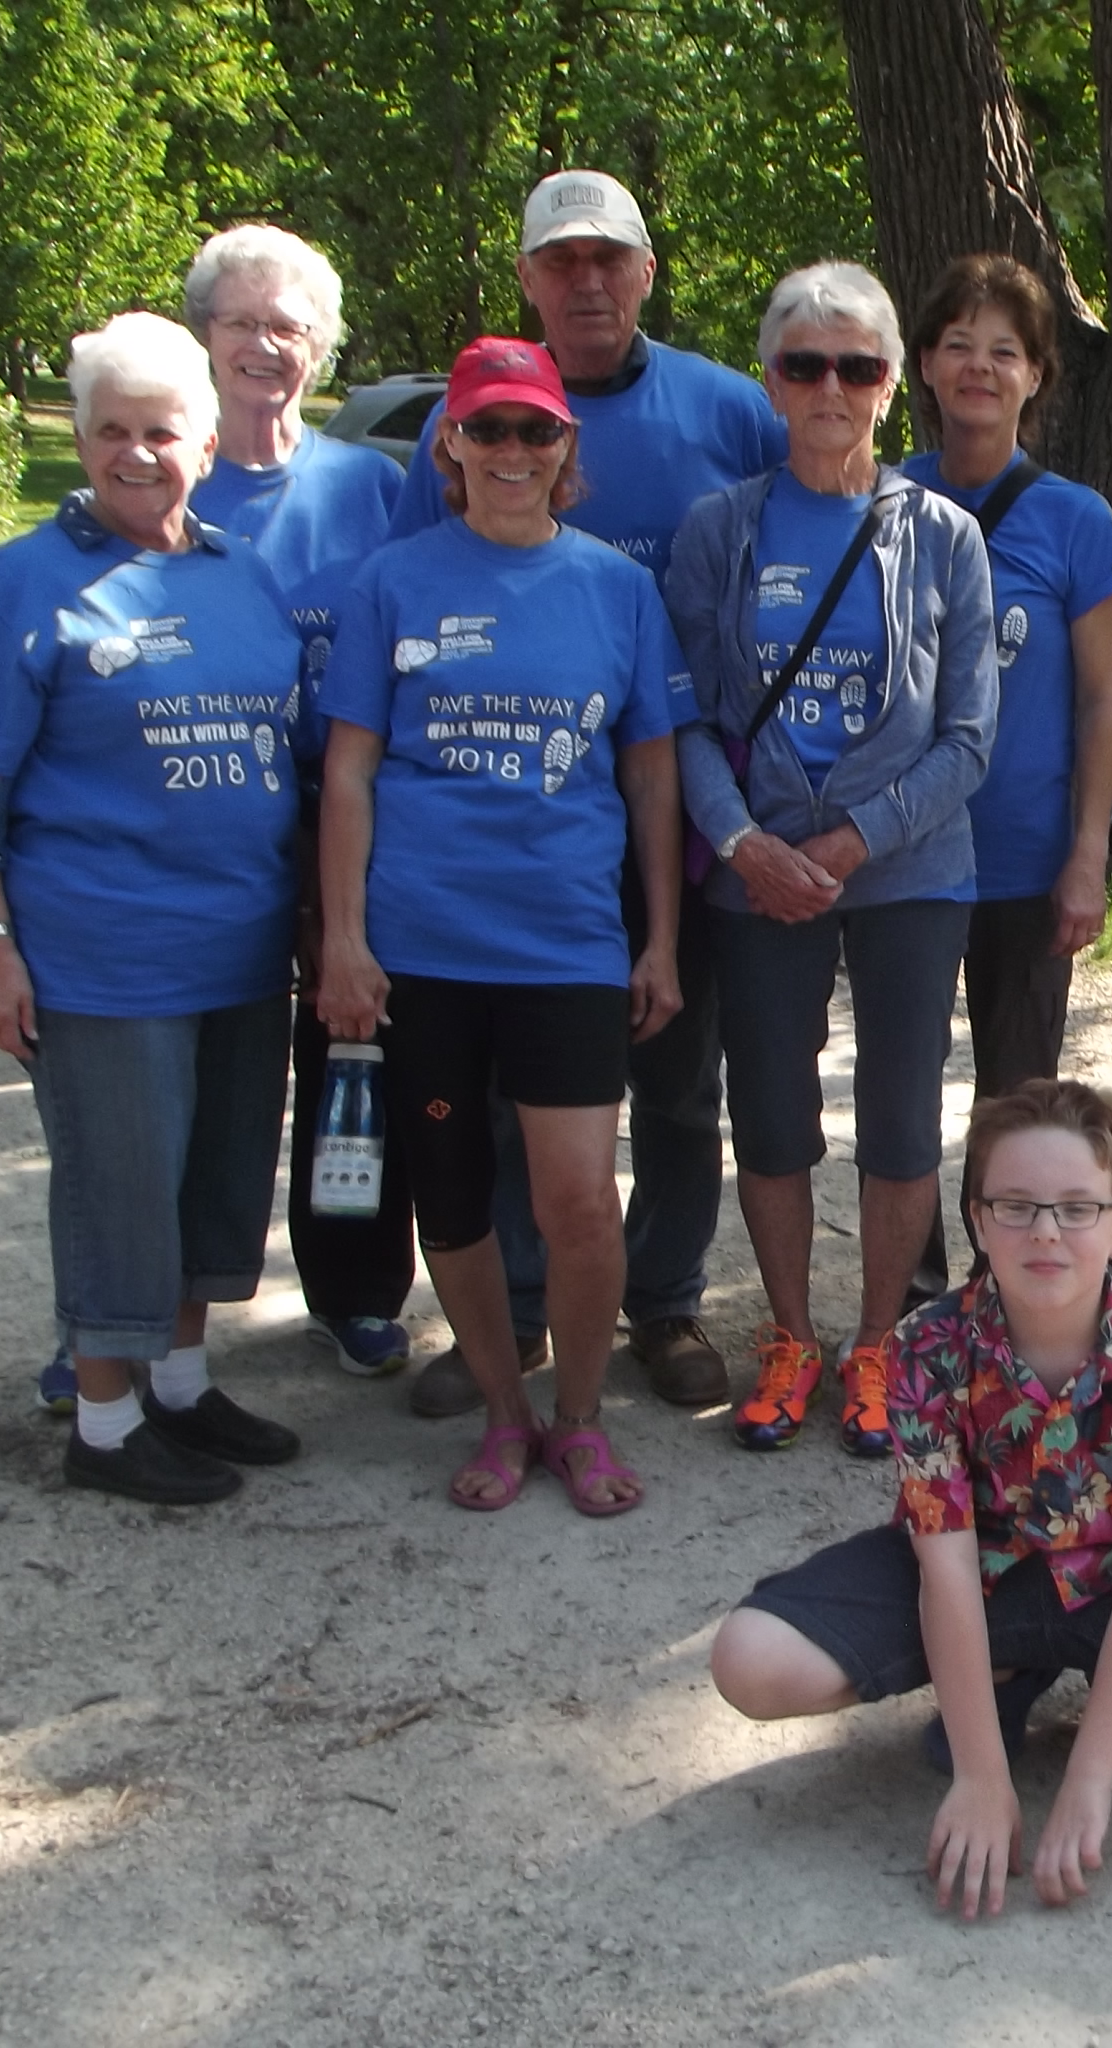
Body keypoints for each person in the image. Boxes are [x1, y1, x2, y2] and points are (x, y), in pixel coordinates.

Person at [709, 1080, 1112, 1919]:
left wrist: (1089, 1782)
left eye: (1077, 1208)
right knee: (751, 1661)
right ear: (978, 1222)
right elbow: (944, 1568)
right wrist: (982, 1776)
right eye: (1014, 1207)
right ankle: (1005, 1675)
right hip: (986, 1574)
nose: (1045, 1231)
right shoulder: (924, 1346)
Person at [392, 170, 788, 1422]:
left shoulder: (729, 411)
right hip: (519, 819)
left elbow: (812, 532)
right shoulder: (458, 422)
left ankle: (664, 1299)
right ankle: (516, 1308)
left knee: (674, 1069)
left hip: (680, 797)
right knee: (511, 1083)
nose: (587, 281)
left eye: (608, 257)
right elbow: (408, 593)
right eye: (560, 261)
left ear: (646, 271)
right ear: (526, 278)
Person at [0, 312, 305, 1505]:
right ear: (80, 440)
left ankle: (180, 1385)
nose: (137, 454)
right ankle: (102, 1419)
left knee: (214, 1181)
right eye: (111, 430)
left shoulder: (241, 572)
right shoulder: (24, 580)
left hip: (242, 945)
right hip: (104, 950)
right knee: (120, 1186)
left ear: (207, 443)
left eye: (162, 431)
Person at [316, 336, 688, 1514]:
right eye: (488, 428)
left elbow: (652, 778)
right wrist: (343, 939)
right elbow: (348, 773)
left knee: (578, 1198)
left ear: (567, 447)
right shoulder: (393, 581)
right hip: (420, 946)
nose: (512, 450)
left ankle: (579, 1418)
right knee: (454, 1196)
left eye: (536, 430)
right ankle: (502, 1411)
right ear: (452, 446)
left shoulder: (618, 588)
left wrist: (662, 936)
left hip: (566, 941)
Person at [668, 260, 996, 1458]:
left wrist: (856, 839)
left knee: (903, 1115)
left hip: (909, 867)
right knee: (770, 1108)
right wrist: (744, 842)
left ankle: (877, 1345)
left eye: (856, 366)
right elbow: (687, 716)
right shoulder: (721, 529)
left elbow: (970, 736)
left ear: (892, 384)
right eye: (804, 364)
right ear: (770, 380)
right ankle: (792, 1337)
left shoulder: (944, 535)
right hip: (757, 868)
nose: (830, 387)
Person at [181, 223, 417, 1389]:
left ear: (320, 346)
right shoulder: (167, 483)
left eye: (289, 326)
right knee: (191, 1072)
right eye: (242, 323)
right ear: (205, 337)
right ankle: (135, 1305)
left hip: (352, 824)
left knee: (352, 1060)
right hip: (210, 834)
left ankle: (357, 1289)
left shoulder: (373, 487)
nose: (265, 346)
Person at [897, 253, 1112, 1301]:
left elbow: (1102, 701)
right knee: (902, 1094)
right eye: (958, 344)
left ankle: (1004, 1292)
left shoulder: (1076, 520)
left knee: (1018, 1100)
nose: (980, 367)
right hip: (904, 854)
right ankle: (913, 1293)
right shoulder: (884, 500)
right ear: (923, 364)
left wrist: (1088, 853)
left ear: (1037, 373)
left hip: (1026, 856)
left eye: (1005, 350)